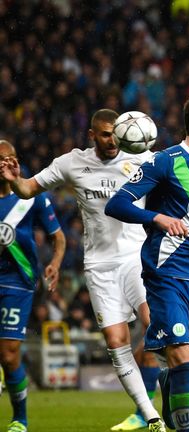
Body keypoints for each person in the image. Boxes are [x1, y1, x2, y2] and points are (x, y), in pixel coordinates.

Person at [0, 111, 167, 432]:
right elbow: (27, 190)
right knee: (116, 341)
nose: (111, 140)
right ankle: (150, 416)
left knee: (155, 325)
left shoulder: (144, 157)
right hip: (99, 266)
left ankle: (169, 395)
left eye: (115, 134)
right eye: (104, 134)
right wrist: (14, 180)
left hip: (136, 258)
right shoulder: (71, 163)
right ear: (92, 135)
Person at [105, 93, 189, 432]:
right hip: (168, 275)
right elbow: (117, 204)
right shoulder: (163, 162)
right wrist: (157, 218)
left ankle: (168, 382)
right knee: (182, 357)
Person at [0, 140, 65, 432]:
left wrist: (56, 262)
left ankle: (20, 418)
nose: (6, 163)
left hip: (18, 280)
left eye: (10, 158)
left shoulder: (31, 196)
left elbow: (59, 237)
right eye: (1, 159)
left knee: (9, 352)